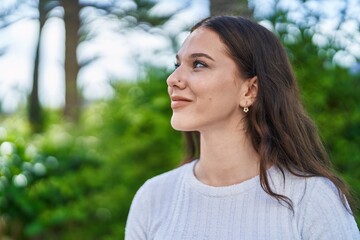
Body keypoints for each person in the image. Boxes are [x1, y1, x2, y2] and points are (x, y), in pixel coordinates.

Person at [125, 16, 360, 239]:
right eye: (177, 64)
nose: (173, 78)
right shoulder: (154, 197)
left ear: (250, 91)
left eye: (198, 64)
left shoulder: (312, 198)